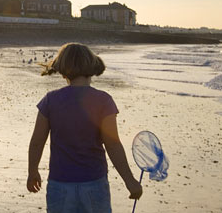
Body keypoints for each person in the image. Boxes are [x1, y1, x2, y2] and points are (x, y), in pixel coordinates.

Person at [27, 43, 142, 213]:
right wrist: (129, 180)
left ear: (63, 68)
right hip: (94, 183)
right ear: (92, 65)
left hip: (60, 184)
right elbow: (113, 145)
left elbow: (37, 142)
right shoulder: (104, 101)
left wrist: (33, 171)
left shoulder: (51, 100)